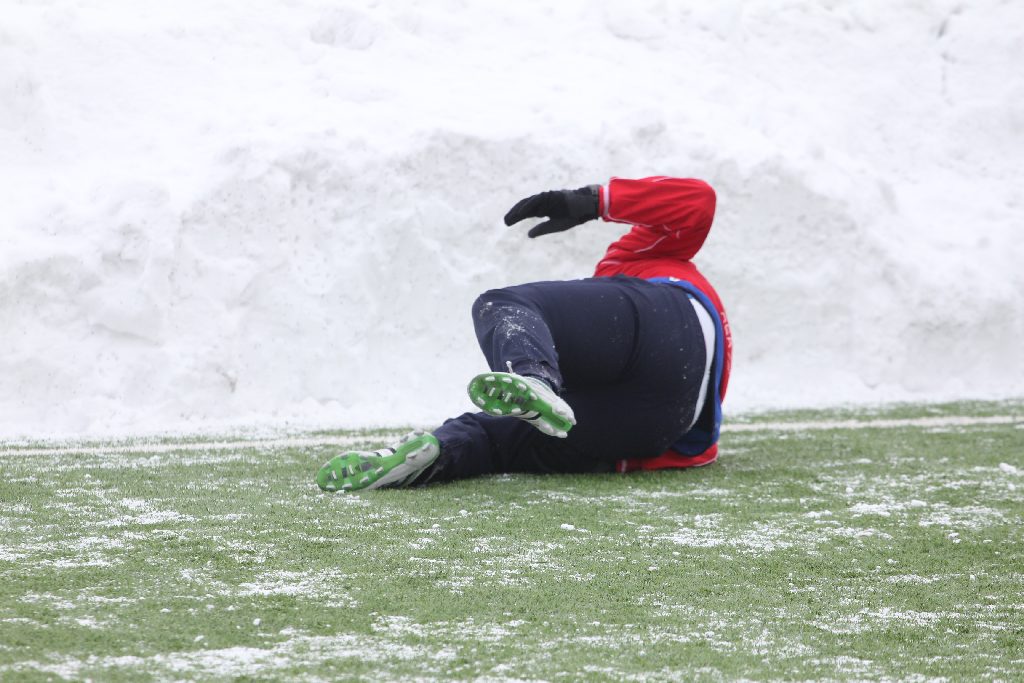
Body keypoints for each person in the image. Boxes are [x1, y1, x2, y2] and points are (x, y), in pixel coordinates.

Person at [316, 175, 733, 492]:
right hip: (663, 430)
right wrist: (592, 202)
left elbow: (698, 201)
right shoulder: (633, 274)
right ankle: (426, 457)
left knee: (504, 305)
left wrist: (589, 201)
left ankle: (534, 379)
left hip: (671, 338)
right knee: (495, 435)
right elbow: (697, 200)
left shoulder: (636, 262)